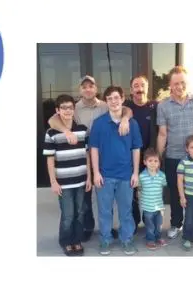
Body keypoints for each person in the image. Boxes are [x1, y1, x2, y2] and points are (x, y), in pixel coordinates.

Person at [48, 75, 134, 241]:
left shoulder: (105, 104)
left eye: (91, 86)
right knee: (85, 195)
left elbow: (127, 110)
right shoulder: (74, 107)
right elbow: (52, 119)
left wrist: (124, 118)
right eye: (84, 87)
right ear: (80, 90)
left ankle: (108, 228)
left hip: (105, 154)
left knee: (107, 196)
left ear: (96, 88)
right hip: (83, 153)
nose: (88, 89)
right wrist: (66, 132)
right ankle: (87, 226)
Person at [89, 86, 143, 256]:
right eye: (110, 98)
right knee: (105, 211)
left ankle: (126, 239)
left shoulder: (132, 124)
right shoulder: (99, 123)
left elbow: (136, 149)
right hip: (104, 175)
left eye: (116, 98)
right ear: (106, 101)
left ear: (122, 99)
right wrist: (96, 172)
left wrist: (135, 173)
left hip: (126, 176)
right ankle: (105, 240)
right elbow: (94, 149)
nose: (113, 101)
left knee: (126, 211)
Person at [157, 66, 193, 239]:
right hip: (173, 156)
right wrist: (160, 157)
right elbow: (162, 134)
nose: (180, 86)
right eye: (176, 83)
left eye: (183, 83)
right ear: (170, 85)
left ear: (187, 83)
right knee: (175, 193)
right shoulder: (163, 106)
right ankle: (176, 223)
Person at [42, 95, 91, 256]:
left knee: (80, 212)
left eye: (70, 107)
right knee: (68, 214)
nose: (67, 110)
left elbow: (88, 155)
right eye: (63, 108)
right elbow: (50, 160)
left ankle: (76, 240)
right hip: (63, 183)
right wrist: (53, 182)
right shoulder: (51, 133)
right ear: (57, 110)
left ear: (74, 110)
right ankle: (66, 241)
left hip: (81, 180)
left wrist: (89, 177)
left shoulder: (82, 130)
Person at [125, 75, 158, 234]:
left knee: (149, 191)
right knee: (131, 192)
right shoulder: (125, 107)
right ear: (131, 90)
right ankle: (134, 221)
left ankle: (149, 222)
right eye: (135, 86)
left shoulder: (155, 106)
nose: (139, 89)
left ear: (147, 87)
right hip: (130, 158)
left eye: (142, 85)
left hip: (151, 158)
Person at [178, 134, 193, 251]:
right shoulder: (183, 162)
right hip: (190, 195)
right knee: (189, 218)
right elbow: (179, 180)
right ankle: (188, 238)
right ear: (187, 149)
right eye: (192, 147)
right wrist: (182, 197)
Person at [138, 149, 167, 250]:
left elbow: (163, 186)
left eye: (156, 161)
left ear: (159, 162)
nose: (153, 164)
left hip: (158, 206)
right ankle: (150, 239)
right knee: (150, 226)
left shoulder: (162, 176)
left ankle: (158, 237)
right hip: (147, 206)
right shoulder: (141, 176)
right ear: (145, 162)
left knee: (158, 224)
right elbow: (140, 188)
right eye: (150, 161)